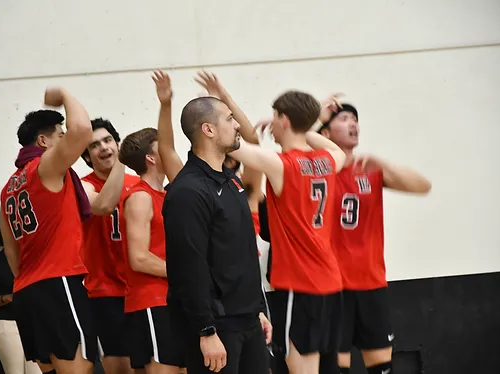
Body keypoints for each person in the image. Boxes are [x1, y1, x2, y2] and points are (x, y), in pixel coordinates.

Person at [228, 91, 347, 374]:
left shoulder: (283, 165)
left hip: (300, 283)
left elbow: (233, 147)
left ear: (283, 119)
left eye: (275, 116)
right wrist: (312, 123)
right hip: (330, 283)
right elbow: (335, 149)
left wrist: (222, 111)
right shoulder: (330, 160)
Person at [317, 102, 431, 374]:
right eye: (344, 119)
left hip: (371, 283)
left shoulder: (368, 168)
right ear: (326, 132)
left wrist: (384, 164)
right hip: (333, 287)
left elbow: (423, 186)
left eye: (355, 119)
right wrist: (316, 121)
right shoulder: (319, 168)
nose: (353, 124)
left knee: (382, 368)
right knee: (335, 367)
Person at [162, 93, 272, 374]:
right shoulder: (187, 191)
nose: (236, 125)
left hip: (247, 320)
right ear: (208, 130)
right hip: (216, 327)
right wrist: (206, 330)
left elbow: (244, 252)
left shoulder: (231, 181)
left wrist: (257, 309)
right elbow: (189, 266)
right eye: (229, 119)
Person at [0, 88, 97, 374]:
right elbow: (82, 130)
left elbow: (10, 250)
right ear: (43, 141)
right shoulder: (44, 166)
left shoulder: (8, 188)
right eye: (60, 135)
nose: (66, 139)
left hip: (28, 291)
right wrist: (65, 94)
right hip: (58, 282)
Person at [117, 127, 184, 373]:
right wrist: (186, 274)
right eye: (162, 147)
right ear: (151, 158)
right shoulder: (140, 197)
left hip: (173, 298)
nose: (170, 151)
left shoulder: (167, 195)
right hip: (151, 300)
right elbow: (139, 258)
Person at [80, 118, 141, 374]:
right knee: (120, 367)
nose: (104, 148)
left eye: (108, 141)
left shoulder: (139, 184)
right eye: (94, 145)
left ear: (117, 143)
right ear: (86, 157)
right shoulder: (82, 185)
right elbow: (103, 206)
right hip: (105, 292)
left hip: (141, 288)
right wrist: (121, 163)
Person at [0, 226, 41, 374]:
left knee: (37, 371)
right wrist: (8, 298)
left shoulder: (31, 262)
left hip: (33, 323)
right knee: (15, 371)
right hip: (6, 323)